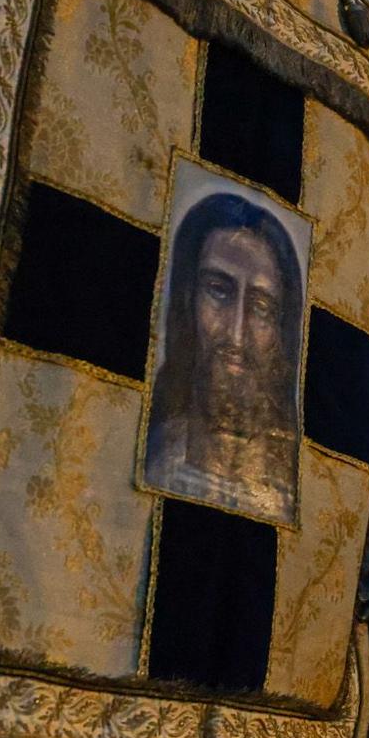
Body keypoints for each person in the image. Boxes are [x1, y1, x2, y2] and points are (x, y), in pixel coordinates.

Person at [142, 193, 303, 523]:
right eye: (218, 290)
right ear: (188, 300)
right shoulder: (150, 456)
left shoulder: (294, 491)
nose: (236, 334)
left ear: (280, 329)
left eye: (261, 308)